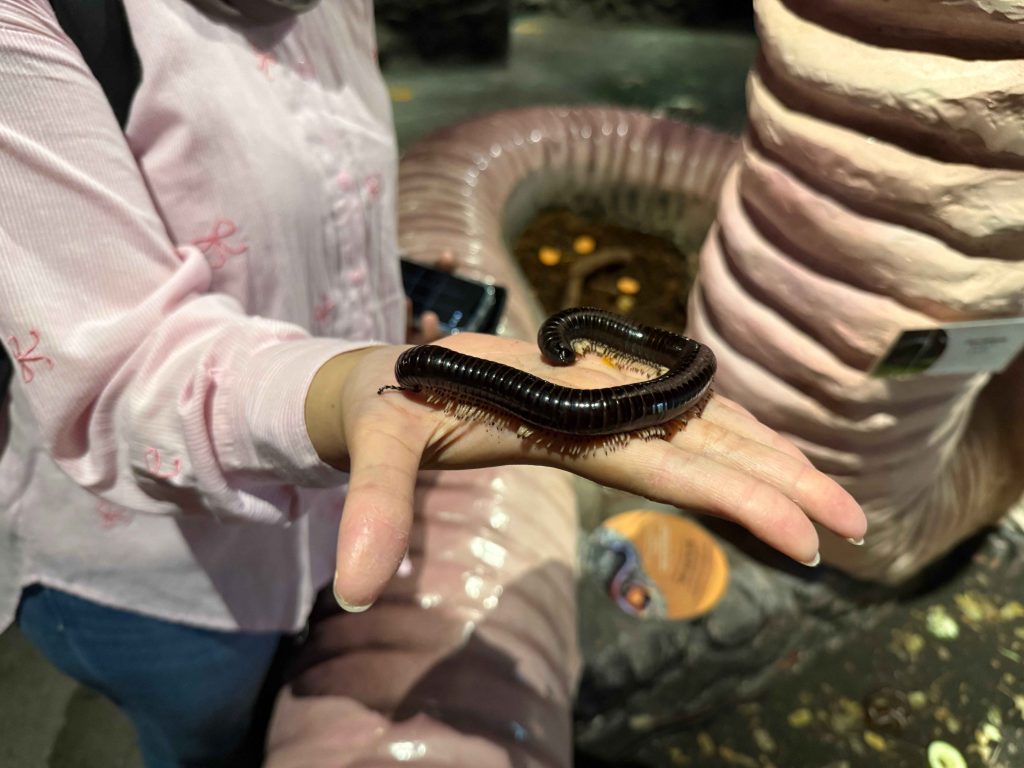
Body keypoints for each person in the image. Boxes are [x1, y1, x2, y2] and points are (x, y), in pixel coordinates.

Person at [0, 0, 866, 765]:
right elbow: (122, 367)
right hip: (162, 578)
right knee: (204, 735)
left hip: (331, 508)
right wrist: (346, 387)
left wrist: (382, 311)